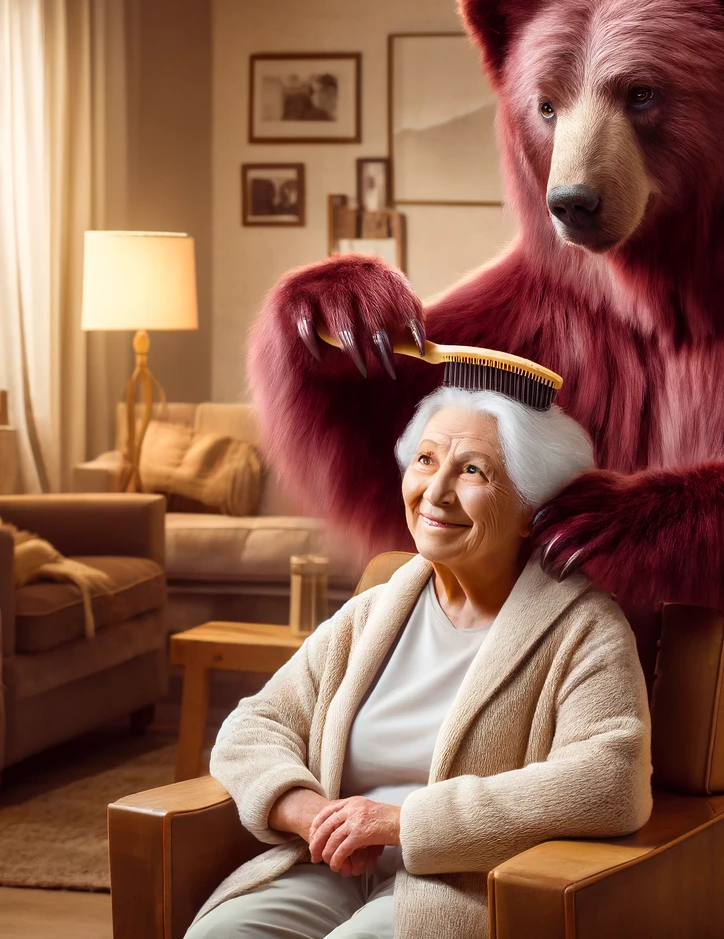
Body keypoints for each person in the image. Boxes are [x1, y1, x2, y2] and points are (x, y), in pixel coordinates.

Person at [185, 387, 652, 939]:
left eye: (473, 471)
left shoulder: (583, 627)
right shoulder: (373, 613)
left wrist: (403, 823)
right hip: (333, 866)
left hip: (458, 885)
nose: (436, 491)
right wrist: (309, 813)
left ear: (532, 510)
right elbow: (251, 728)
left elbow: (610, 781)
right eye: (427, 460)